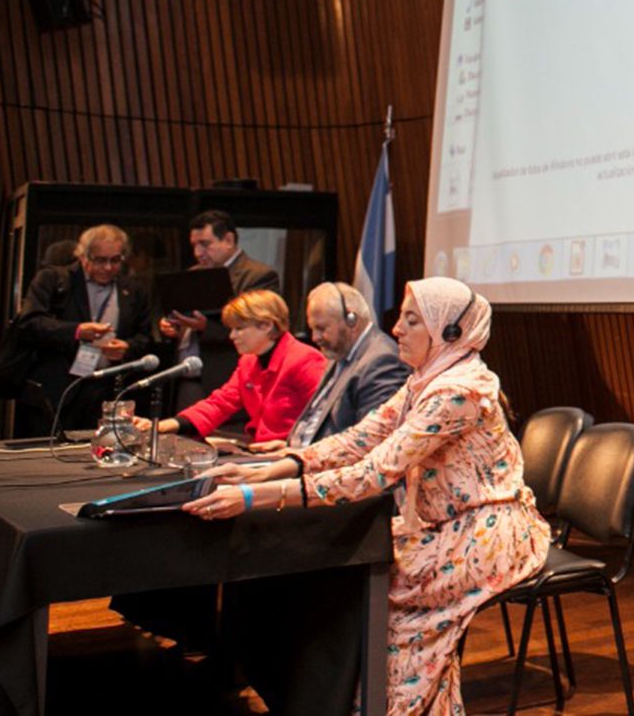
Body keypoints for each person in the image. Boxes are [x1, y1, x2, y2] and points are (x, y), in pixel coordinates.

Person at [185, 277, 550, 714]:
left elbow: (374, 473)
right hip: (441, 525)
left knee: (382, 599)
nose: (396, 329)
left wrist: (253, 497)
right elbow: (360, 438)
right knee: (345, 577)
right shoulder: (426, 380)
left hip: (488, 532)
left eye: (412, 320)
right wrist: (278, 467)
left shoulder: (458, 392)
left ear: (448, 331)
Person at [12, 225, 156, 436]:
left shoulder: (132, 291)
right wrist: (77, 331)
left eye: (115, 260)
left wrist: (127, 347)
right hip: (57, 386)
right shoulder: (54, 280)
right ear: (82, 256)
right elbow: (29, 323)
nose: (108, 267)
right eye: (100, 260)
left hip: (106, 390)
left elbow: (145, 337)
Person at [139, 290, 324, 445]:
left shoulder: (304, 359)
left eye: (239, 328)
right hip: (264, 453)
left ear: (266, 325)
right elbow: (220, 403)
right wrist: (164, 425)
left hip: (295, 456)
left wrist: (292, 445)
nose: (232, 336)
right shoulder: (249, 361)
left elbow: (326, 417)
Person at [248, 281, 408, 451]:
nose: (315, 337)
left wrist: (300, 458)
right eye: (312, 329)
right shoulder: (339, 352)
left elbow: (368, 442)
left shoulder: (381, 361)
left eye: (321, 328)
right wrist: (288, 446)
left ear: (352, 320)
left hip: (326, 464)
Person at [159, 210, 281, 412]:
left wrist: (205, 327)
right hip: (186, 376)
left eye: (205, 244)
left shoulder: (258, 275)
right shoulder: (193, 274)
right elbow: (180, 315)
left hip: (226, 377)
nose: (198, 253)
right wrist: (171, 326)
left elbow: (258, 331)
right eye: (194, 245)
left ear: (228, 240)